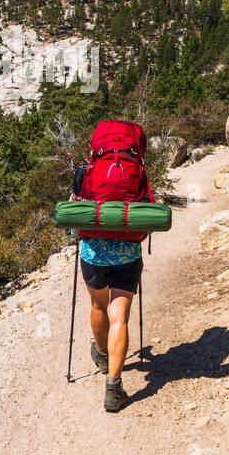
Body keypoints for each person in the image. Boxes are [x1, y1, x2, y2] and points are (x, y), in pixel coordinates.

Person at [71, 163, 143, 413]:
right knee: (119, 316)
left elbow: (74, 211)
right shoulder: (137, 171)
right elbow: (146, 207)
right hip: (127, 255)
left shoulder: (86, 172)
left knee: (98, 305)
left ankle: (102, 355)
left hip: (93, 255)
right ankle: (113, 388)